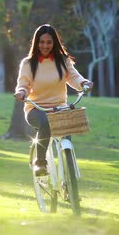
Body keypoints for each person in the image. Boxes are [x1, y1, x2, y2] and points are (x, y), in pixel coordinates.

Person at [14, 24, 93, 176]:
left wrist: (84, 83)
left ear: (54, 43)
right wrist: (21, 92)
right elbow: (23, 84)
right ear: (36, 43)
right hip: (36, 109)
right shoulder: (28, 63)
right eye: (42, 42)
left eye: (49, 42)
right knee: (46, 122)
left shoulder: (63, 61)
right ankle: (41, 163)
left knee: (66, 139)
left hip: (59, 108)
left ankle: (70, 184)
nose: (45, 45)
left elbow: (74, 77)